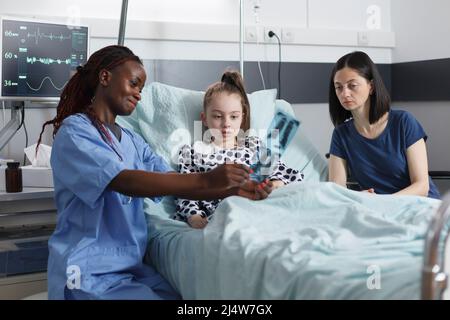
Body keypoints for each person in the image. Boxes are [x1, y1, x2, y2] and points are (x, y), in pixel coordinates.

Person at [36, 45, 272, 300]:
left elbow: (171, 180)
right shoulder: (75, 132)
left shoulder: (132, 140)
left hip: (132, 269)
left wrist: (234, 189)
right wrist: (208, 177)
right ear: (105, 77)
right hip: (88, 271)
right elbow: (122, 180)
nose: (138, 94)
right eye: (134, 83)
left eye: (141, 88)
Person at [173, 70, 304, 228]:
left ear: (242, 118)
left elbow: (291, 177)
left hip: (264, 209)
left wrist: (273, 186)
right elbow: (186, 193)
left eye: (233, 117)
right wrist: (194, 217)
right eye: (218, 116)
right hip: (226, 215)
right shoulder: (192, 153)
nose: (226, 123)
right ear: (204, 119)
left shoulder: (254, 146)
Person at [328, 51, 440, 199]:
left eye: (352, 85)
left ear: (371, 86)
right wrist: (358, 197)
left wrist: (384, 202)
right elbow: (337, 191)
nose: (344, 94)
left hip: (421, 206)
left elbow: (421, 186)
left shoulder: (403, 122)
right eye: (339, 87)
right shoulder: (341, 135)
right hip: (379, 212)